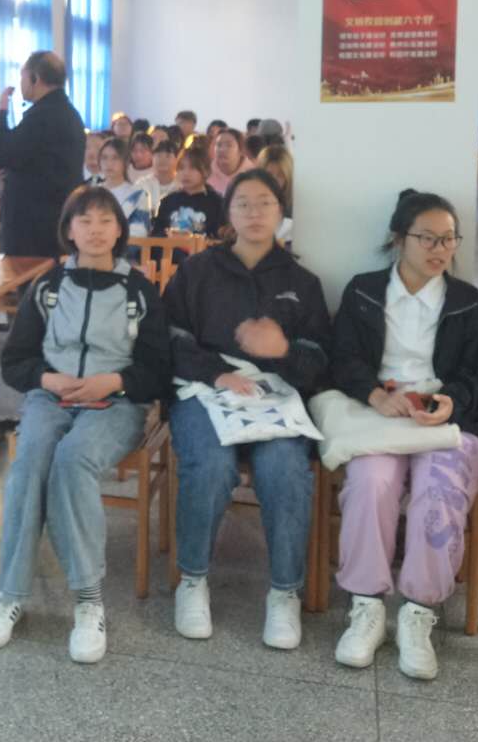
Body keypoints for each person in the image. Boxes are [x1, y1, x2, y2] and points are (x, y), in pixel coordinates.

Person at [0, 187, 172, 663]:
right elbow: (15, 361)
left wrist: (114, 381)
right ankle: (9, 594)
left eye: (106, 221)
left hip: (117, 403)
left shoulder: (139, 291)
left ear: (120, 229)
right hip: (52, 397)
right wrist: (48, 379)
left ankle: (88, 601)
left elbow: (159, 369)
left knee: (73, 459)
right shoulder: (47, 287)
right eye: (85, 221)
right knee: (29, 461)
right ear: (69, 230)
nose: (96, 230)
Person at [329, 190, 478, 681]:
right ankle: (366, 606)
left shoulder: (470, 304)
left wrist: (451, 402)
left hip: (448, 420)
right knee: (371, 483)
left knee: (438, 490)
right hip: (379, 413)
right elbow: (342, 357)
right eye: (427, 238)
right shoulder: (363, 291)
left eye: (448, 239)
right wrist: (373, 394)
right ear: (398, 239)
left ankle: (419, 613)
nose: (439, 249)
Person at [165, 169, 331, 649]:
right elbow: (169, 339)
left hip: (275, 395)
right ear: (228, 213)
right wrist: (217, 373)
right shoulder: (198, 271)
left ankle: (284, 591)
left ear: (281, 213)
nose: (254, 213)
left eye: (265, 203)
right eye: (243, 203)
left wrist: (283, 353)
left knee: (285, 468)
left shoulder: (302, 282)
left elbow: (321, 361)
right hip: (206, 389)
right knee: (210, 465)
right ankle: (192, 580)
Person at [0, 51, 87, 258]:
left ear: (35, 78)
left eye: (23, 77)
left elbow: (1, 151)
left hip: (34, 228)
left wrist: (1, 111)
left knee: (29, 278)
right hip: (56, 218)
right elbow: (30, 158)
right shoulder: (69, 113)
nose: (21, 84)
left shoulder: (43, 116)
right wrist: (9, 168)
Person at [151, 147, 223, 237]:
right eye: (181, 168)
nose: (186, 173)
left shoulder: (216, 203)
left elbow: (220, 236)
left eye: (192, 168)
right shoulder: (168, 201)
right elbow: (156, 235)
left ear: (205, 171)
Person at [96, 138, 152, 237]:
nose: (109, 163)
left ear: (126, 162)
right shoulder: (91, 193)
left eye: (115, 158)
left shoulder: (137, 195)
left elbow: (140, 231)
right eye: (104, 158)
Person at [258, 144, 294, 244]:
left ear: (288, 176)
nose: (273, 180)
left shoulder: (295, 207)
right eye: (269, 174)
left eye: (280, 175)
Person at [138, 139, 180, 218]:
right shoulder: (142, 184)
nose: (163, 160)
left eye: (168, 156)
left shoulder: (183, 185)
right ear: (152, 158)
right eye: (158, 155)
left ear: (177, 159)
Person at [207, 128, 253, 196]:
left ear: (240, 150)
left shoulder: (252, 175)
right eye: (219, 145)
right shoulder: (205, 173)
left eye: (229, 145)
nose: (222, 149)